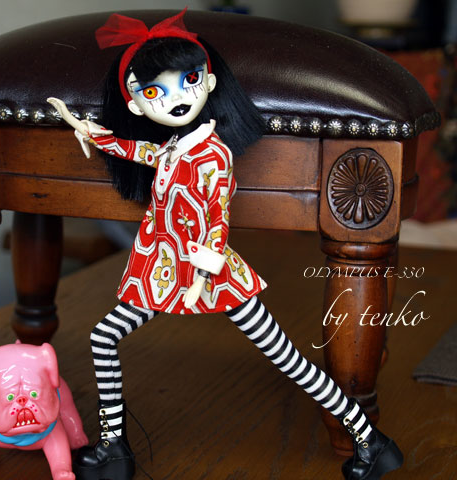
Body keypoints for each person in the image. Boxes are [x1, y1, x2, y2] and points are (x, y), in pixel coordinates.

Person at [48, 9, 403, 480]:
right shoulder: (173, 149)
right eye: (154, 92)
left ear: (210, 83)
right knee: (104, 336)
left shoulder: (213, 155)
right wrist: (93, 133)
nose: (177, 98)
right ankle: (115, 446)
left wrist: (201, 273)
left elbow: (217, 219)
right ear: (135, 105)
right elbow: (143, 151)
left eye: (189, 81)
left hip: (209, 274)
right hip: (165, 269)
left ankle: (370, 440)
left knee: (288, 360)